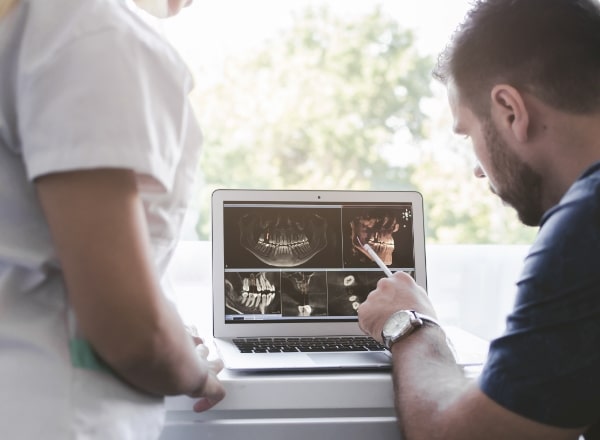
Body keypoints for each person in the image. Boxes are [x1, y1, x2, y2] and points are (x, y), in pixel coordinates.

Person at [357, 0, 600, 439]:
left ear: (511, 110)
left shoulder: (587, 225)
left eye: (468, 132)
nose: (477, 168)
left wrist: (410, 323)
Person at [0, 0, 225, 438]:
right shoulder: (92, 33)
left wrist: (167, 328)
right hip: (58, 413)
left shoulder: (38, 23)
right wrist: (196, 373)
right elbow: (133, 334)